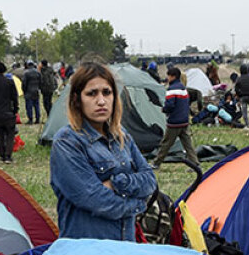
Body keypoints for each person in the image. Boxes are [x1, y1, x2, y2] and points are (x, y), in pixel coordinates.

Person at [49, 60, 156, 240]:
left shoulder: (122, 136)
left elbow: (150, 180)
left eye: (107, 92)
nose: (101, 101)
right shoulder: (67, 142)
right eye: (91, 94)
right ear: (77, 99)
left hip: (124, 245)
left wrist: (116, 183)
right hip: (87, 252)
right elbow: (95, 200)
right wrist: (137, 204)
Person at [152, 66, 199, 168]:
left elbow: (170, 105)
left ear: (173, 76)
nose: (167, 78)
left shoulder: (172, 89)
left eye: (168, 76)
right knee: (188, 145)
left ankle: (156, 163)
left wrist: (164, 109)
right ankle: (195, 163)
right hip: (184, 121)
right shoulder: (183, 88)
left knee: (166, 144)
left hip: (174, 122)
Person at [0, 62, 19, 163]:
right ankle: (8, 156)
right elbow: (15, 97)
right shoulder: (9, 82)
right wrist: (15, 109)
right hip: (8, 112)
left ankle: (2, 154)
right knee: (10, 135)